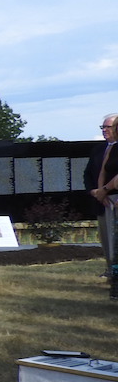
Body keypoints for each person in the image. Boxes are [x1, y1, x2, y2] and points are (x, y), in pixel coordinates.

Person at [84, 114, 117, 280]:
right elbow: (88, 174)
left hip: (114, 200)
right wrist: (95, 192)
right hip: (101, 202)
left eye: (108, 127)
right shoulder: (98, 150)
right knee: (106, 239)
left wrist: (105, 191)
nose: (104, 130)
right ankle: (110, 270)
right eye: (102, 127)